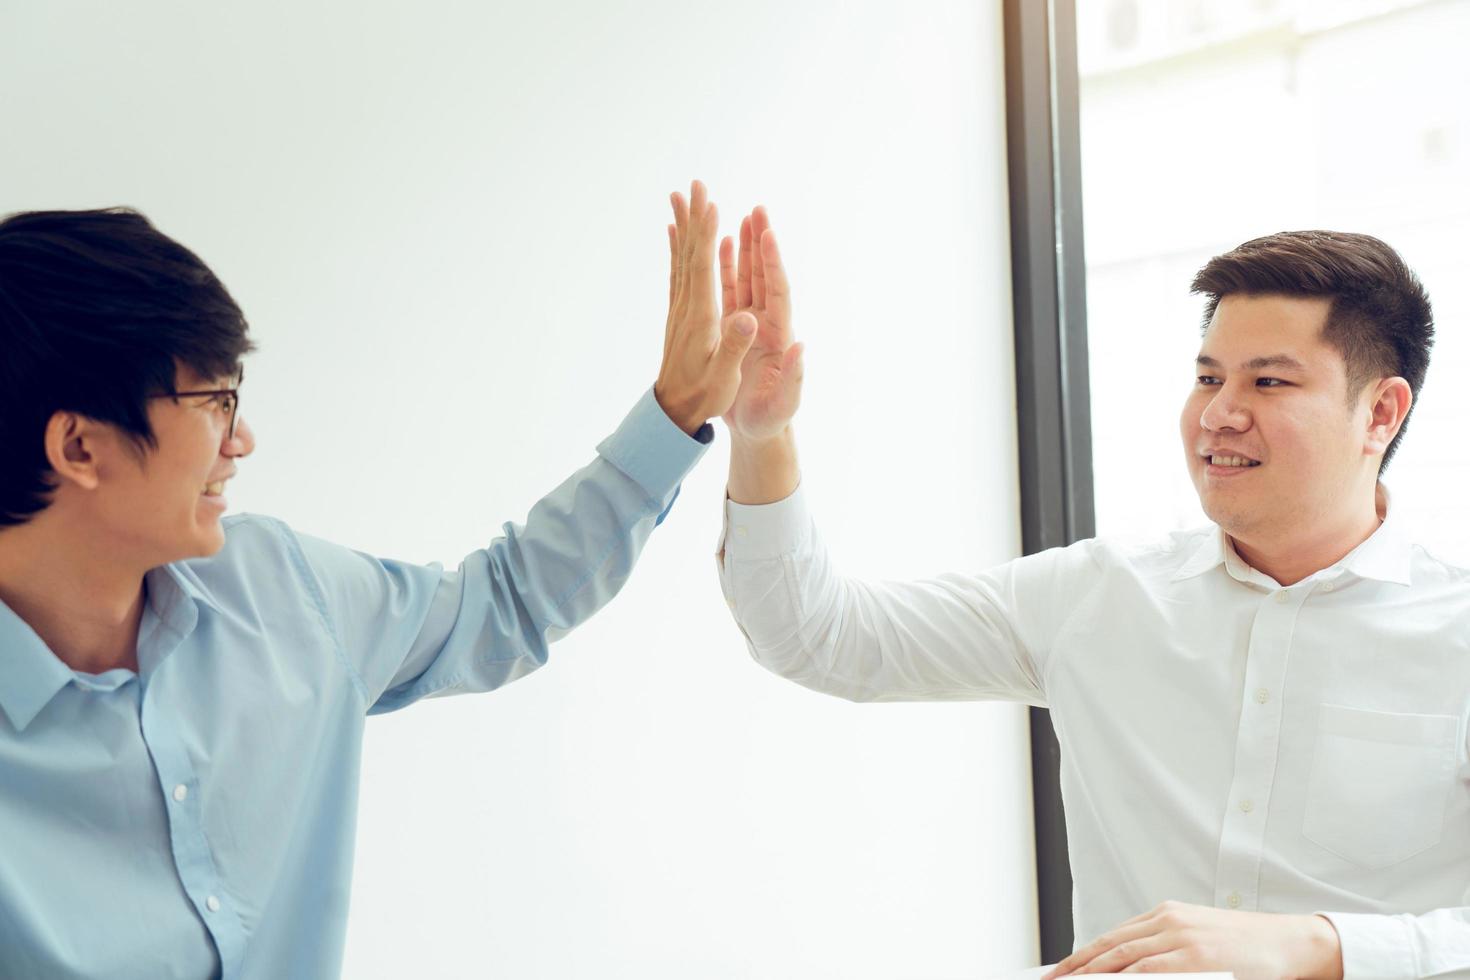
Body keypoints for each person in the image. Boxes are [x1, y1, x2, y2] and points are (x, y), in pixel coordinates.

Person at [0, 181, 757, 979]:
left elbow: (499, 602)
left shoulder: (277, 588)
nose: (242, 440)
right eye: (214, 401)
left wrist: (673, 417)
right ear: (79, 447)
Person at [716, 220, 1467, 978]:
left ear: (1379, 413)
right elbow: (814, 636)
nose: (1218, 415)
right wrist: (762, 437)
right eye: (1209, 378)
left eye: (1268, 382)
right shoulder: (1099, 595)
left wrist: (1323, 945)